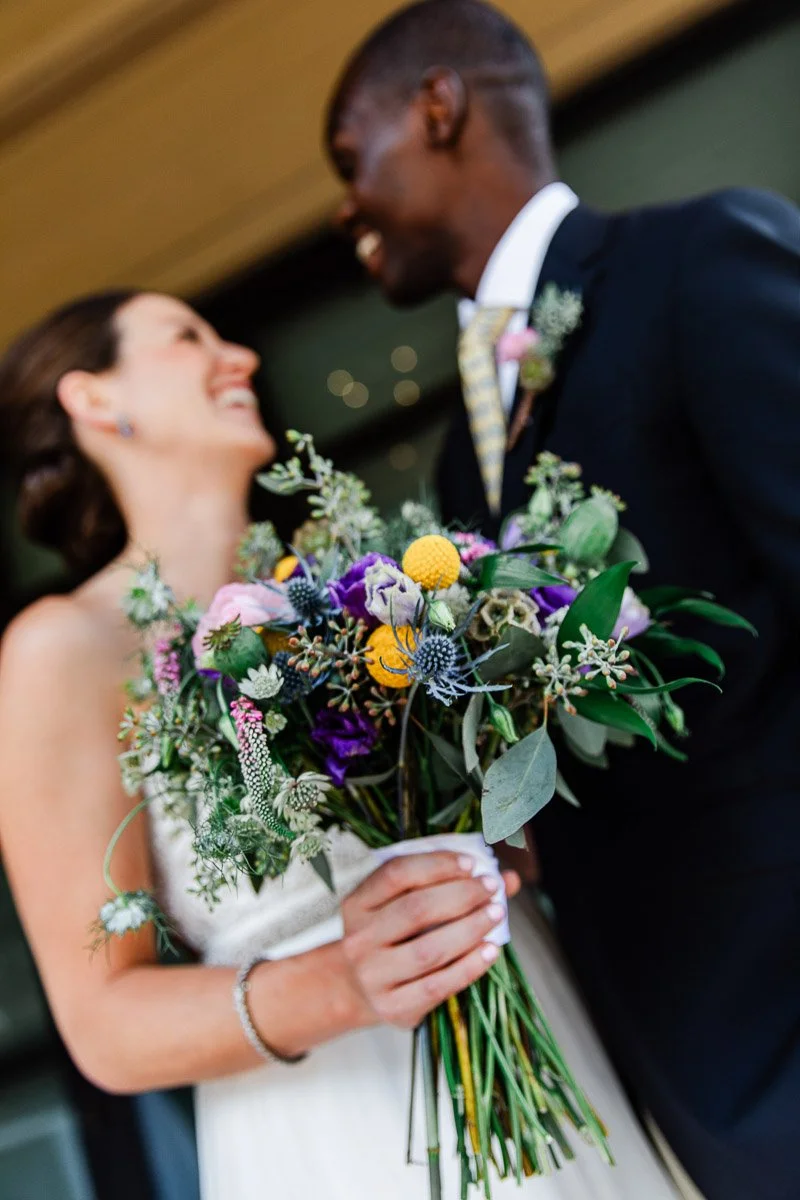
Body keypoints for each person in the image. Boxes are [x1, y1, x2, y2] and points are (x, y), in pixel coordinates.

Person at [0, 290, 678, 1199]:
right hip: (339, 1125)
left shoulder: (356, 595)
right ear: (92, 400)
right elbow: (103, 1026)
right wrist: (346, 983)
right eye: (188, 338)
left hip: (533, 1036)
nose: (239, 356)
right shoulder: (62, 649)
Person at [324, 3, 800, 1199]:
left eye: (349, 158)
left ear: (440, 107)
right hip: (658, 1010)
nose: (344, 205)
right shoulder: (451, 462)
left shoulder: (694, 259)